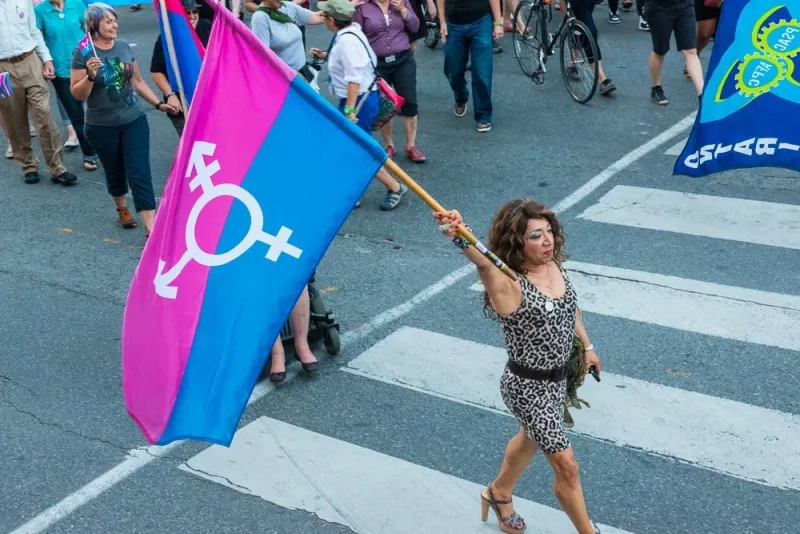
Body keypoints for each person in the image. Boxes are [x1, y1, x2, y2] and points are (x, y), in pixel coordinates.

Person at [434, 199, 602, 534]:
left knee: (529, 441)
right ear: (518, 243)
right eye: (536, 236)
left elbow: (570, 309)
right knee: (567, 467)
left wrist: (587, 346)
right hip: (527, 388)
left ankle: (499, 492)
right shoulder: (508, 284)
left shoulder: (553, 266)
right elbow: (483, 265)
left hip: (557, 381)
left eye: (549, 231)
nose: (548, 240)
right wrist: (457, 233)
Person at [70, 3, 178, 236]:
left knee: (140, 171)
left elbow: (137, 81)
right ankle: (121, 208)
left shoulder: (123, 46)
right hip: (101, 127)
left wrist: (159, 103)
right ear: (93, 25)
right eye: (108, 21)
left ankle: (151, 227)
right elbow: (78, 94)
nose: (114, 25)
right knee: (116, 172)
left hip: (134, 120)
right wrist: (90, 76)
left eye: (115, 20)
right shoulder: (83, 53)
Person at [310, 0, 410, 211]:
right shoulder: (352, 31)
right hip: (360, 99)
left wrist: (350, 110)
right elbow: (354, 61)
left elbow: (354, 78)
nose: (323, 18)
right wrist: (326, 56)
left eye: (325, 15)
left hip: (358, 102)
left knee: (359, 149)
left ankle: (394, 186)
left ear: (331, 20)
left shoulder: (348, 42)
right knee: (349, 146)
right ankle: (352, 190)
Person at [0, 0, 77, 185]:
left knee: (44, 114)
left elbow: (34, 30)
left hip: (30, 59)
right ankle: (28, 166)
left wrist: (47, 59)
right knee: (14, 120)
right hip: (3, 68)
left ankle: (57, 167)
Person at [353, 0, 427, 162]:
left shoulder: (402, 2)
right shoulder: (363, 6)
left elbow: (415, 26)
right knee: (384, 105)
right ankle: (389, 145)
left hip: (403, 60)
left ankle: (411, 145)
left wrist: (402, 10)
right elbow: (355, 33)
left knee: (409, 101)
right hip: (377, 62)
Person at [35, 0, 99, 171]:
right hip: (61, 69)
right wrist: (44, 63)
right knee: (76, 113)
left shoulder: (76, 4)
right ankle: (89, 153)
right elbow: (37, 39)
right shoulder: (39, 11)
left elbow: (89, 31)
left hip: (87, 64)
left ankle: (107, 147)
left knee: (99, 107)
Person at [437, 0, 503, 133]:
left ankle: (483, 114)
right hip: (453, 24)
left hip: (481, 22)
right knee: (452, 70)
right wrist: (442, 21)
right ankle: (461, 96)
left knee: (482, 73)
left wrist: (498, 22)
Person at [150, 0, 212, 136]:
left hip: (208, 101)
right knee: (192, 148)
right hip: (183, 106)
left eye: (195, 12)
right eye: (187, 13)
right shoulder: (167, 38)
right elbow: (156, 72)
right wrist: (170, 95)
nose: (192, 16)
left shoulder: (206, 27)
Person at [644, 0, 704, 105]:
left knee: (691, 51)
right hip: (659, 7)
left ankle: (702, 95)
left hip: (685, 5)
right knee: (660, 50)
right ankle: (656, 88)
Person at [250, 0, 325, 78]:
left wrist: (334, 13)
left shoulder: (286, 6)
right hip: (283, 79)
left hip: (302, 73)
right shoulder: (259, 19)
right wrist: (291, 75)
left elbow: (315, 16)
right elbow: (262, 57)